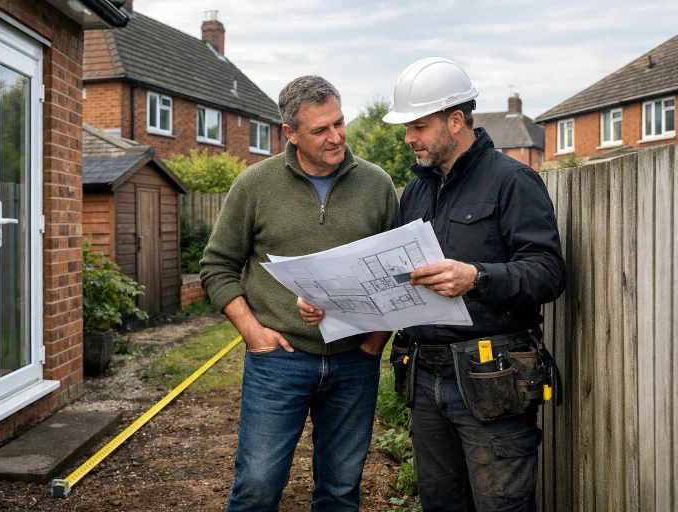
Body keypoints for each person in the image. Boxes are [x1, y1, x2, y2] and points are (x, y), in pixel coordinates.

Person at [301, 58, 566, 512]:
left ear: (456, 120)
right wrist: (334, 303)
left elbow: (548, 271)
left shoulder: (513, 180)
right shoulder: (417, 190)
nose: (408, 139)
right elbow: (393, 280)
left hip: (491, 377)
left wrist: (477, 277)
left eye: (418, 126)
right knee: (441, 504)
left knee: (500, 505)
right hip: (425, 378)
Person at [199, 75, 399, 512]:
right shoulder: (255, 185)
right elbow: (216, 266)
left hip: (354, 362)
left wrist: (374, 344)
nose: (336, 137)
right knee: (256, 487)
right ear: (290, 133)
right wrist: (253, 333)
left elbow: (395, 273)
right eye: (320, 129)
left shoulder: (377, 184)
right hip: (280, 362)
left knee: (341, 492)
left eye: (339, 123)